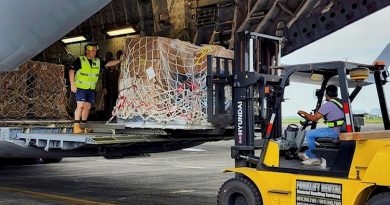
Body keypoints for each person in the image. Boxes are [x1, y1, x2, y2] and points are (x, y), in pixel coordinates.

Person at [69, 44, 121, 133]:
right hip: (81, 87)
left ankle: (83, 126)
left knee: (88, 106)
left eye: (95, 51)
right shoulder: (80, 60)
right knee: (80, 106)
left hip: (90, 88)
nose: (94, 52)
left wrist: (120, 60)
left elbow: (108, 63)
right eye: (92, 50)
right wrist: (72, 84)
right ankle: (76, 127)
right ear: (87, 51)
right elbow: (71, 70)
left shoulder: (97, 61)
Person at [297, 85, 345, 166]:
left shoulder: (328, 104)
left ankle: (314, 157)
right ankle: (308, 153)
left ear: (326, 94)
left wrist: (304, 113)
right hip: (340, 130)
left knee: (309, 134)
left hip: (334, 131)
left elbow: (314, 118)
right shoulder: (341, 102)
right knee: (315, 133)